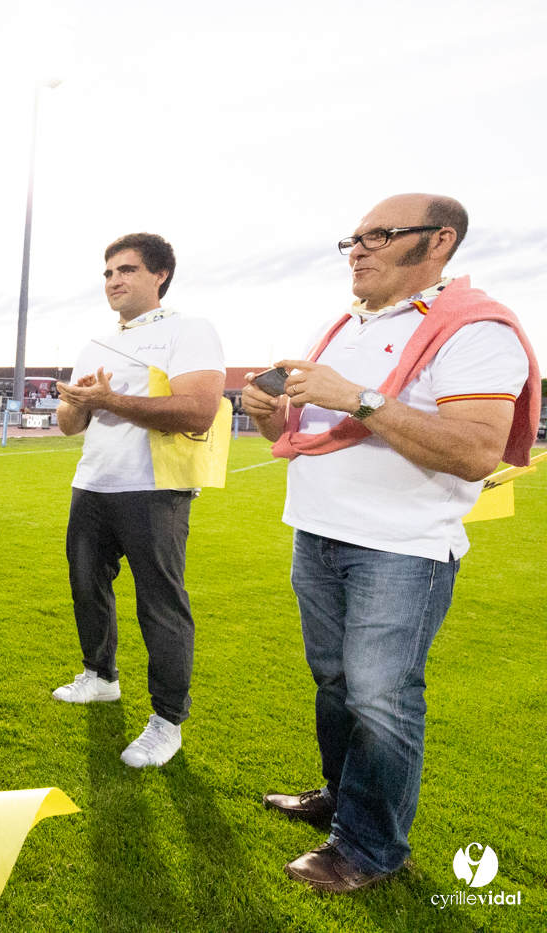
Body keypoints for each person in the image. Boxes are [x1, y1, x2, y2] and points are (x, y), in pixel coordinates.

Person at [243, 194, 538, 893]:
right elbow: (299, 439)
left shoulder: (476, 330)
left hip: (400, 547)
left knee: (382, 698)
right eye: (353, 237)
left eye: (379, 235)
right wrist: (265, 415)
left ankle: (372, 847)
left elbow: (475, 452)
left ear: (440, 240)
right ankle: (342, 802)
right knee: (337, 685)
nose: (359, 249)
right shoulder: (342, 324)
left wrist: (360, 398)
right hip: (317, 533)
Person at [53, 233, 225, 769]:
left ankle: (167, 720)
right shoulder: (96, 344)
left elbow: (198, 410)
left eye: (125, 271)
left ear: (159, 276)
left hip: (154, 488)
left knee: (160, 603)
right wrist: (80, 405)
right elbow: (67, 426)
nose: (113, 281)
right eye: (107, 273)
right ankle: (100, 676)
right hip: (93, 483)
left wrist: (110, 400)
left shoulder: (189, 330)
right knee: (86, 585)